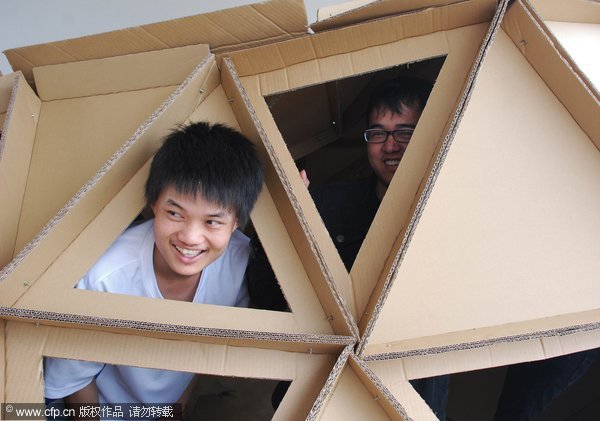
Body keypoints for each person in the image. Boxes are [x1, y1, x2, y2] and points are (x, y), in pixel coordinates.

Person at [247, 76, 450, 419]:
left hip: (408, 402)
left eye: (405, 132)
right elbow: (267, 297)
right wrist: (284, 225)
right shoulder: (327, 204)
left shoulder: (452, 217)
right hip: (320, 398)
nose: (390, 145)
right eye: (377, 133)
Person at [44, 122, 264, 412]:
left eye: (212, 221)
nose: (190, 237)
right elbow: (72, 381)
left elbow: (207, 347)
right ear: (152, 204)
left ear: (236, 223)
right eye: (175, 213)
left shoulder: (239, 260)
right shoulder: (105, 279)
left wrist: (173, 411)